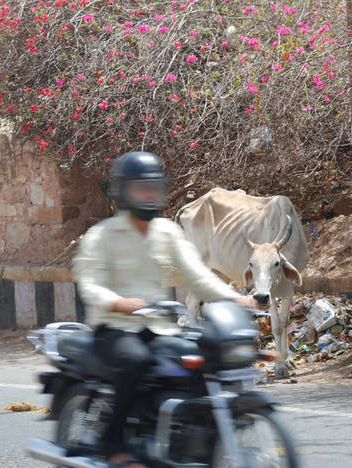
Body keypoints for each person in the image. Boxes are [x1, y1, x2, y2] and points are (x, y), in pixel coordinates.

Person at [72, 151, 258, 467]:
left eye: (153, 187)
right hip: (115, 327)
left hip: (159, 326)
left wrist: (232, 297)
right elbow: (88, 283)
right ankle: (113, 442)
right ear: (123, 191)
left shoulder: (167, 232)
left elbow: (196, 275)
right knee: (136, 361)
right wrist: (117, 302)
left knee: (202, 359)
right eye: (141, 188)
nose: (148, 194)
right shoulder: (102, 235)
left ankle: (192, 443)